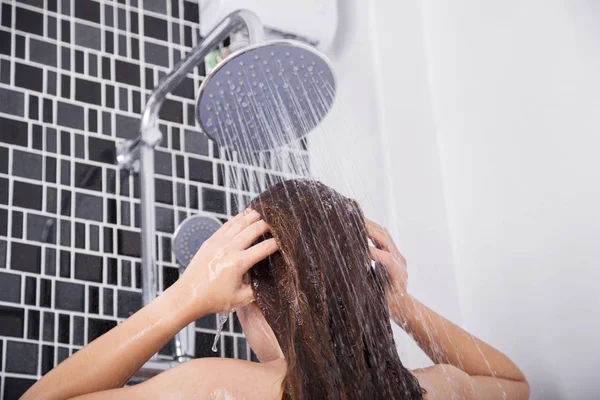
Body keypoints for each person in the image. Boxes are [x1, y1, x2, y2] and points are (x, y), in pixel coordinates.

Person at [23, 180, 529, 400]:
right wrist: (396, 300)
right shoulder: (434, 389)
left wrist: (183, 299)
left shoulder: (212, 389)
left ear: (253, 299)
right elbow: (513, 383)